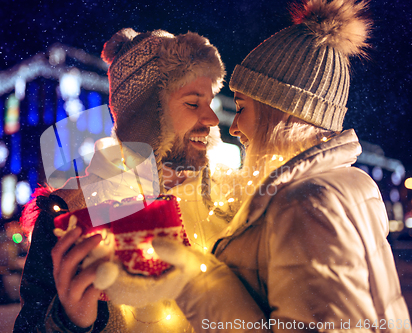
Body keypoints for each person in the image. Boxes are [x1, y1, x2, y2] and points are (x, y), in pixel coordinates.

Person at [150, 0, 410, 331]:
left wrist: (203, 288)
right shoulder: (332, 186)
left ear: (280, 112)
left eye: (242, 108)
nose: (233, 127)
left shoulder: (306, 204)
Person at [13, 28, 229, 332]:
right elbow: (31, 326)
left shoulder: (226, 202)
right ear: (148, 116)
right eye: (193, 103)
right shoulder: (72, 212)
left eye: (210, 101)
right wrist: (70, 321)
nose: (211, 119)